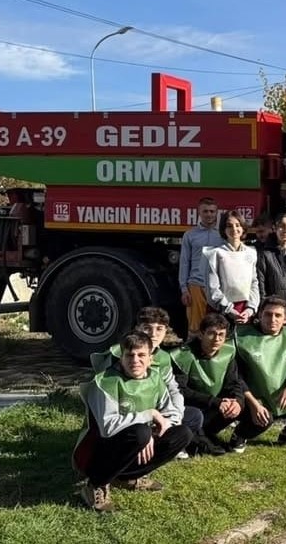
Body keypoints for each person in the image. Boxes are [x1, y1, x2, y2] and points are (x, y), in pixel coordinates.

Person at [73, 331, 193, 512]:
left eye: (141, 355)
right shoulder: (106, 382)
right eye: (129, 355)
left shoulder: (155, 378)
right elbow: (108, 427)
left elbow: (171, 412)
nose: (135, 360)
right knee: (140, 434)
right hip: (96, 452)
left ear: (150, 358)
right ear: (121, 358)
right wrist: (149, 416)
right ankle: (96, 483)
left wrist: (155, 429)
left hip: (135, 441)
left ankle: (126, 477)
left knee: (182, 433)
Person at [230, 296, 286, 451]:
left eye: (278, 315)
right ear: (259, 315)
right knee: (265, 420)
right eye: (268, 314)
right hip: (252, 397)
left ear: (285, 319)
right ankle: (239, 434)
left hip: (282, 393)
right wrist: (254, 404)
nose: (272, 319)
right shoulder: (243, 338)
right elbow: (237, 376)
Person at [170, 313, 246, 453]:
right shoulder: (182, 356)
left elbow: (234, 383)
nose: (216, 339)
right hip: (191, 409)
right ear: (201, 334)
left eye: (221, 335)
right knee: (195, 414)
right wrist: (215, 402)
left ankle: (235, 437)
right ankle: (199, 440)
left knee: (246, 404)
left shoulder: (228, 353)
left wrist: (237, 401)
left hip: (214, 407)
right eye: (211, 333)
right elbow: (181, 391)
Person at [205, 210, 260, 324]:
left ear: (243, 227)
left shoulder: (251, 252)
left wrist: (250, 309)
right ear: (223, 230)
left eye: (237, 225)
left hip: (244, 310)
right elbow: (212, 288)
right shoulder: (214, 253)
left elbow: (254, 283)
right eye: (229, 226)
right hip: (220, 310)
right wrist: (229, 310)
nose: (234, 229)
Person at [179, 197, 224, 335]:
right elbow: (185, 262)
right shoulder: (190, 235)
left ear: (217, 213)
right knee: (195, 328)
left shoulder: (223, 235)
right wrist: (184, 289)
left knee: (216, 327)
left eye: (212, 211)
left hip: (218, 287)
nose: (209, 214)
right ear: (199, 212)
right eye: (205, 211)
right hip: (196, 285)